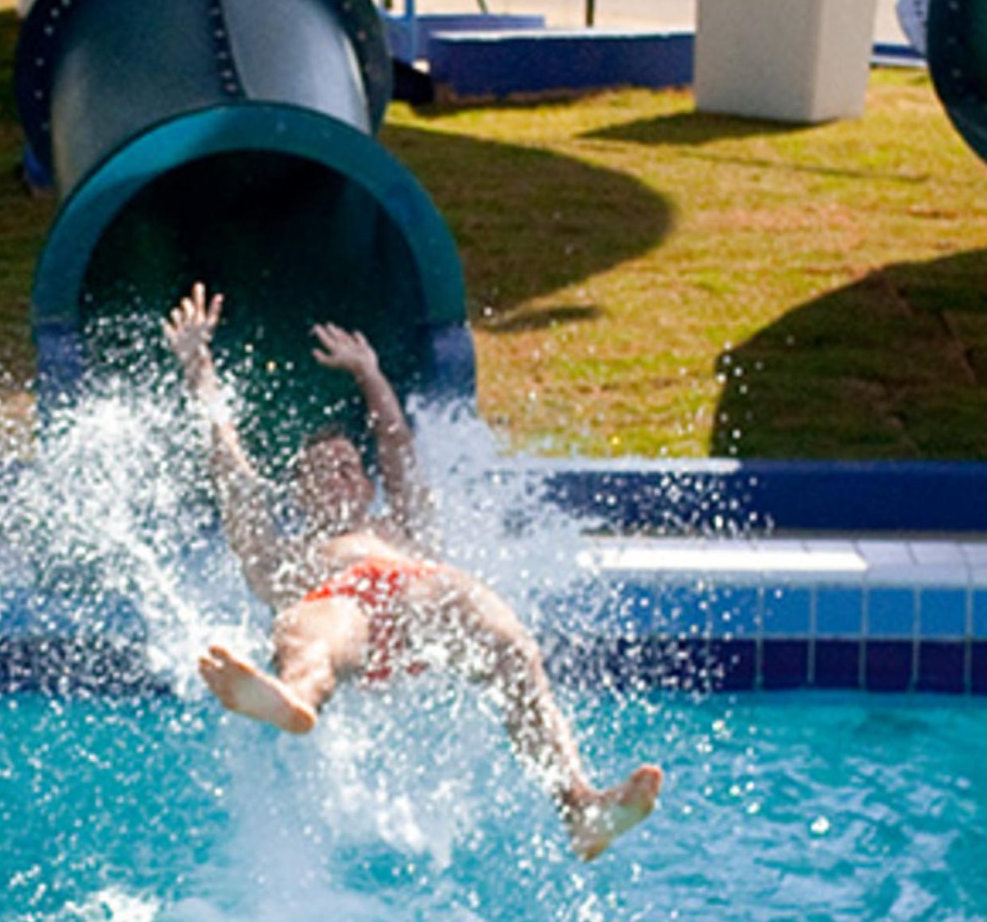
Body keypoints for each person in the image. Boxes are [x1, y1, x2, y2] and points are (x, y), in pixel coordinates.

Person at [162, 283, 662, 860]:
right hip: (341, 609)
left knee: (508, 642)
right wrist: (198, 367)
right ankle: (292, 698)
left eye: (349, 467)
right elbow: (232, 471)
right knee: (318, 626)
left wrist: (369, 374)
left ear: (369, 486)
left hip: (424, 601)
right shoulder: (287, 555)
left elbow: (395, 442)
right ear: (299, 496)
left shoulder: (400, 530)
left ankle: (579, 806)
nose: (339, 476)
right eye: (321, 471)